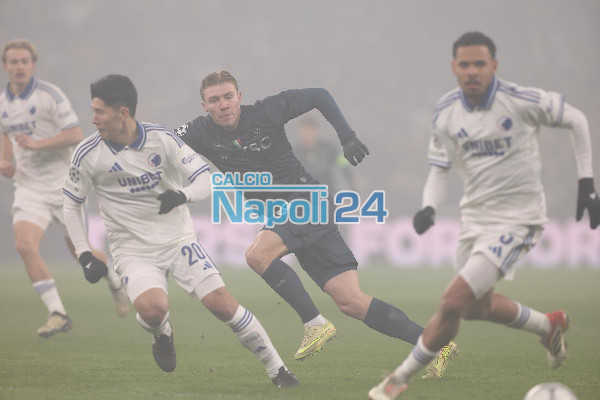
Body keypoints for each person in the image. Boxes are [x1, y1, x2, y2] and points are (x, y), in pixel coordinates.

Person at [368, 31, 599, 399]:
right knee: (476, 307)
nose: (472, 71)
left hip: (519, 218)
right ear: (454, 68)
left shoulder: (519, 100)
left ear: (494, 66)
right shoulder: (446, 112)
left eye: (480, 64)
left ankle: (396, 381)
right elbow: (439, 169)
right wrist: (429, 206)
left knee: (451, 303)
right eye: (465, 64)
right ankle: (548, 325)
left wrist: (586, 181)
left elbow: (576, 119)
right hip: (475, 219)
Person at [174, 70, 455, 370]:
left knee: (257, 255)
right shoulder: (199, 132)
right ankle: (435, 345)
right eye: (214, 100)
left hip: (306, 203)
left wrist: (347, 136)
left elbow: (319, 95)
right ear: (204, 105)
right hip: (293, 214)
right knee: (352, 302)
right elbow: (161, 142)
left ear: (239, 97)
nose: (223, 104)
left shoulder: (267, 111)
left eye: (229, 96)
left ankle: (314, 323)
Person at [62, 74, 299, 387]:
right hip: (133, 249)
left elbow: (206, 180)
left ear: (123, 113)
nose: (93, 119)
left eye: (99, 112)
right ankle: (162, 332)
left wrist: (181, 195)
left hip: (178, 239)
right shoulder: (88, 153)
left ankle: (278, 370)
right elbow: (71, 204)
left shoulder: (162, 139)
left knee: (221, 304)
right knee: (152, 310)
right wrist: (83, 254)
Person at [0, 39, 129, 338]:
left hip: (64, 186)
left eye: (24, 61)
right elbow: (5, 132)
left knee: (80, 254)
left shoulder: (50, 96)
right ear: (5, 66)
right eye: (14, 62)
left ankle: (113, 280)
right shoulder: (3, 102)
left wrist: (36, 144)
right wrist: (6, 161)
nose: (19, 67)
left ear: (33, 64)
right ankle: (58, 313)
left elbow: (75, 134)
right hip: (29, 188)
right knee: (24, 245)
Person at [294, 117, 355, 196]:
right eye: (303, 134)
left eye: (308, 133)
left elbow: (344, 168)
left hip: (328, 193)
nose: (306, 137)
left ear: (315, 132)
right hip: (304, 196)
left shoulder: (329, 148)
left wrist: (352, 187)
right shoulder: (294, 153)